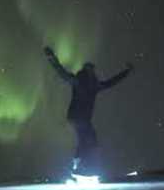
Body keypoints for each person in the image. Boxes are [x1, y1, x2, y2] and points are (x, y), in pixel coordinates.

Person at [44, 46, 134, 175]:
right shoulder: (82, 82)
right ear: (88, 71)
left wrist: (126, 72)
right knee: (89, 140)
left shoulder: (93, 85)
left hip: (79, 118)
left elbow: (111, 82)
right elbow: (62, 73)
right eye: (91, 70)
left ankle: (78, 167)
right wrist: (52, 58)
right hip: (78, 117)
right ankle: (80, 167)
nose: (93, 73)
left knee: (87, 140)